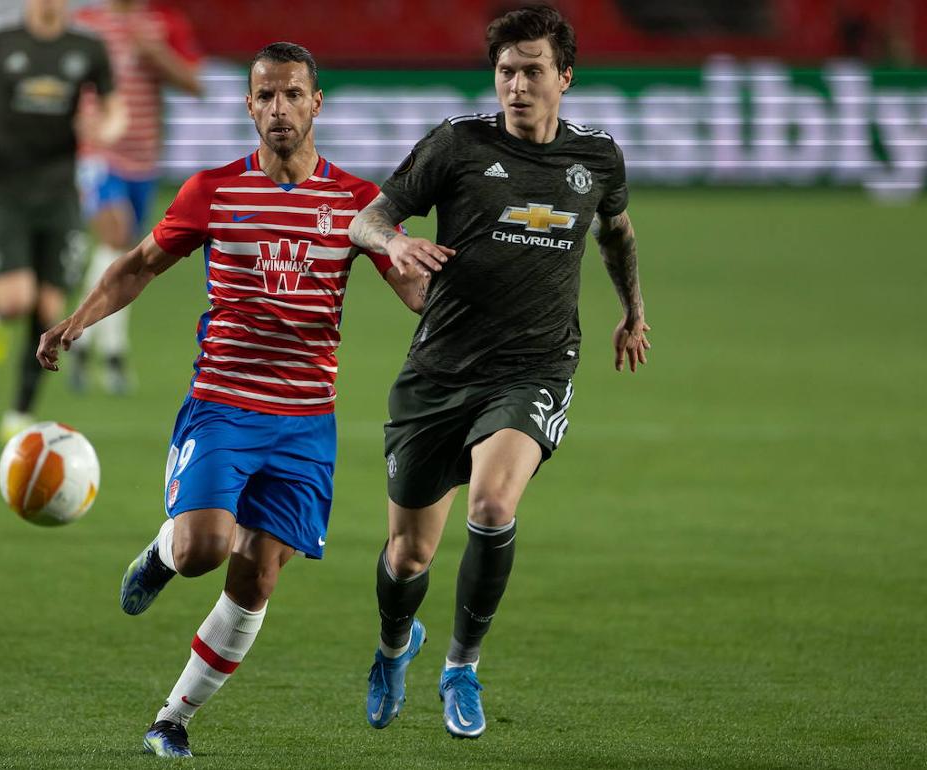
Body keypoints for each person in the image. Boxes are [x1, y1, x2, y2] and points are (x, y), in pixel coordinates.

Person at [37, 42, 421, 758]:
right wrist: (77, 322)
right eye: (265, 96)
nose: (280, 108)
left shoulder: (357, 202)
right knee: (203, 549)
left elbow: (411, 289)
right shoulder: (212, 190)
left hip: (307, 422)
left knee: (258, 574)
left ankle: (171, 719)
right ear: (249, 106)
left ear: (317, 103)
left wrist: (454, 293)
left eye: (293, 94)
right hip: (225, 403)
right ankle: (161, 552)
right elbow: (140, 264)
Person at [348, 4, 651, 740]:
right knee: (408, 554)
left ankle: (462, 666)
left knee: (490, 506)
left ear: (565, 78)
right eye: (506, 71)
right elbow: (367, 219)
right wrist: (393, 246)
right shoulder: (455, 145)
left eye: (533, 71)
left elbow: (617, 232)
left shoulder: (599, 160)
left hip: (534, 368)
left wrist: (632, 310)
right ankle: (394, 646)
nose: (517, 85)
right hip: (439, 369)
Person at [0, 0, 127, 442]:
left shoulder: (87, 47)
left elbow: (115, 108)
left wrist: (106, 129)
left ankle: (19, 413)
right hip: (5, 188)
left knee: (50, 314)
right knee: (15, 301)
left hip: (61, 192)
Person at [69, 0, 204, 395]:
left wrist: (155, 53)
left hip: (143, 159)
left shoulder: (163, 24)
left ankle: (83, 342)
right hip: (98, 154)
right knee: (117, 235)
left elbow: (195, 82)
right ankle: (112, 351)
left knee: (124, 251)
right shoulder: (87, 24)